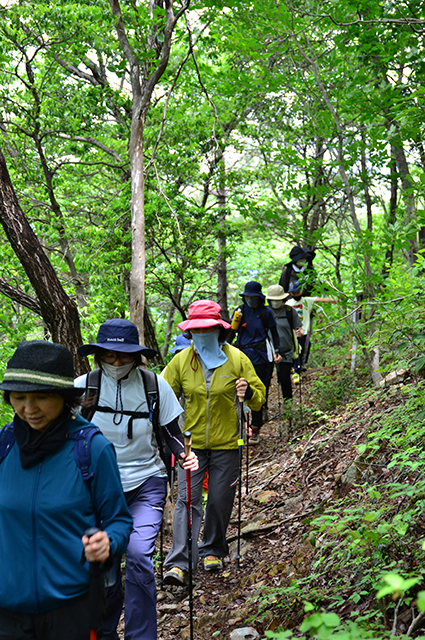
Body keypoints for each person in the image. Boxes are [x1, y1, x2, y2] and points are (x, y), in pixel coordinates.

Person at [0, 340, 132, 640]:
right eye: (18, 397)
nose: (28, 409)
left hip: (73, 607)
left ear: (64, 398)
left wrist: (108, 542)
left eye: (41, 398)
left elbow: (119, 520)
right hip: (7, 611)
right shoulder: (4, 445)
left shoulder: (91, 448)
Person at [75, 319, 198, 640]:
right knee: (105, 563)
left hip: (147, 482)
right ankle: (104, 632)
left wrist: (187, 454)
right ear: (98, 354)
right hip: (95, 490)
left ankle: (141, 636)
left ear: (136, 356)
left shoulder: (154, 386)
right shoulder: (82, 388)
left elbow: (172, 435)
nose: (116, 362)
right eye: (109, 355)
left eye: (124, 356)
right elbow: (64, 437)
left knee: (140, 555)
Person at [162, 300, 266, 585]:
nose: (202, 333)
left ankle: (213, 549)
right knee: (187, 500)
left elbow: (259, 396)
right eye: (197, 329)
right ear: (190, 333)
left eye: (207, 328)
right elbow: (162, 397)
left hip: (228, 443)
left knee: (219, 500)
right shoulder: (182, 361)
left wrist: (248, 393)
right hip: (190, 445)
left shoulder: (236, 359)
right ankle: (180, 562)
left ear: (218, 330)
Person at [229, 280, 281, 444]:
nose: (251, 300)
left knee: (258, 390)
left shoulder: (266, 312)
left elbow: (274, 332)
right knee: (238, 391)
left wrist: (277, 351)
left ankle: (256, 427)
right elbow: (232, 333)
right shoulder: (240, 312)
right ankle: (241, 427)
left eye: (253, 297)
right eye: (248, 297)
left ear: (259, 298)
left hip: (262, 356)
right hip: (241, 356)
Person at [286, 282, 338, 377]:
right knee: (292, 351)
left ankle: (297, 371)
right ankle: (293, 368)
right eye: (293, 292)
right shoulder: (288, 303)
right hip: (291, 333)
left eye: (297, 292)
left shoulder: (307, 300)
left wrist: (333, 300)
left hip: (303, 331)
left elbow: (319, 300)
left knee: (301, 351)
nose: (295, 294)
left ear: (302, 291)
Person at [266, 284, 303, 409]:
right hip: (267, 352)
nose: (275, 303)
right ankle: (262, 408)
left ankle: (288, 408)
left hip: (286, 352)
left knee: (285, 380)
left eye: (278, 300)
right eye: (273, 300)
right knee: (264, 381)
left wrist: (299, 332)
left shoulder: (289, 311)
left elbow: (298, 327)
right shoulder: (265, 311)